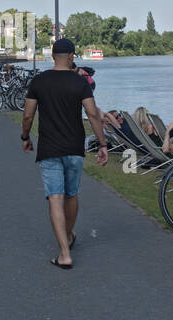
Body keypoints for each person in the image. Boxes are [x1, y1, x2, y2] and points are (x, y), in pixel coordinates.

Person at [21, 38, 109, 269]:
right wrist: (102, 144)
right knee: (72, 194)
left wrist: (25, 137)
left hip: (49, 148)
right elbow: (92, 114)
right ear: (71, 56)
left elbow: (28, 115)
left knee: (55, 197)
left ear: (52, 56)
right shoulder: (80, 82)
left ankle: (64, 253)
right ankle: (68, 236)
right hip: (74, 148)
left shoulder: (39, 81)